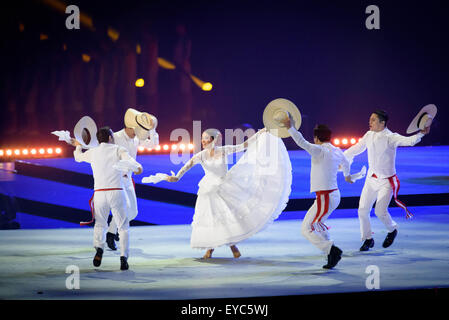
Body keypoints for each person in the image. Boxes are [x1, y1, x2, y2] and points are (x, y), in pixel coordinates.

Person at [148, 127, 292, 259]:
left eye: (206, 139)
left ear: (213, 140)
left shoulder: (223, 150)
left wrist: (260, 133)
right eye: (202, 139)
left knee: (226, 217)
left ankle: (232, 245)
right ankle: (211, 248)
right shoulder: (201, 156)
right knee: (210, 219)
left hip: (224, 187)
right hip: (207, 190)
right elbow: (185, 168)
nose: (203, 141)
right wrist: (174, 177)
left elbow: (244, 146)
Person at [344, 110, 430, 251]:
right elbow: (356, 148)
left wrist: (421, 133)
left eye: (373, 120)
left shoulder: (391, 137)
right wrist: (341, 157)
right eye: (370, 119)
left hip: (386, 181)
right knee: (362, 210)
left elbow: (410, 141)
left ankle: (392, 229)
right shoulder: (368, 134)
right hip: (371, 179)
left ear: (382, 123)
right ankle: (368, 239)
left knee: (380, 211)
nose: (369, 122)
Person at [278, 114, 352, 269]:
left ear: (317, 138)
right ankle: (330, 253)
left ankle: (332, 250)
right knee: (319, 224)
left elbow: (302, 142)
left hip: (326, 196)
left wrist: (289, 127)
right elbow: (346, 162)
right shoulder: (337, 150)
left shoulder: (319, 150)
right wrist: (347, 175)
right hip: (331, 195)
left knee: (306, 228)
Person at [73, 126, 143, 270]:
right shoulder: (118, 149)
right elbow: (132, 164)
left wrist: (78, 147)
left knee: (100, 224)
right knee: (123, 227)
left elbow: (78, 158)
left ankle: (99, 248)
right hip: (117, 191)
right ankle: (124, 258)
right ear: (110, 137)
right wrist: (138, 168)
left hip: (100, 193)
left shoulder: (93, 152)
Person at [106, 109, 159, 251]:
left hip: (128, 178)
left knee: (133, 212)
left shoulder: (136, 139)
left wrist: (153, 130)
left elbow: (153, 145)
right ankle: (111, 233)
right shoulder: (115, 137)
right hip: (116, 178)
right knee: (123, 208)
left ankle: (114, 229)